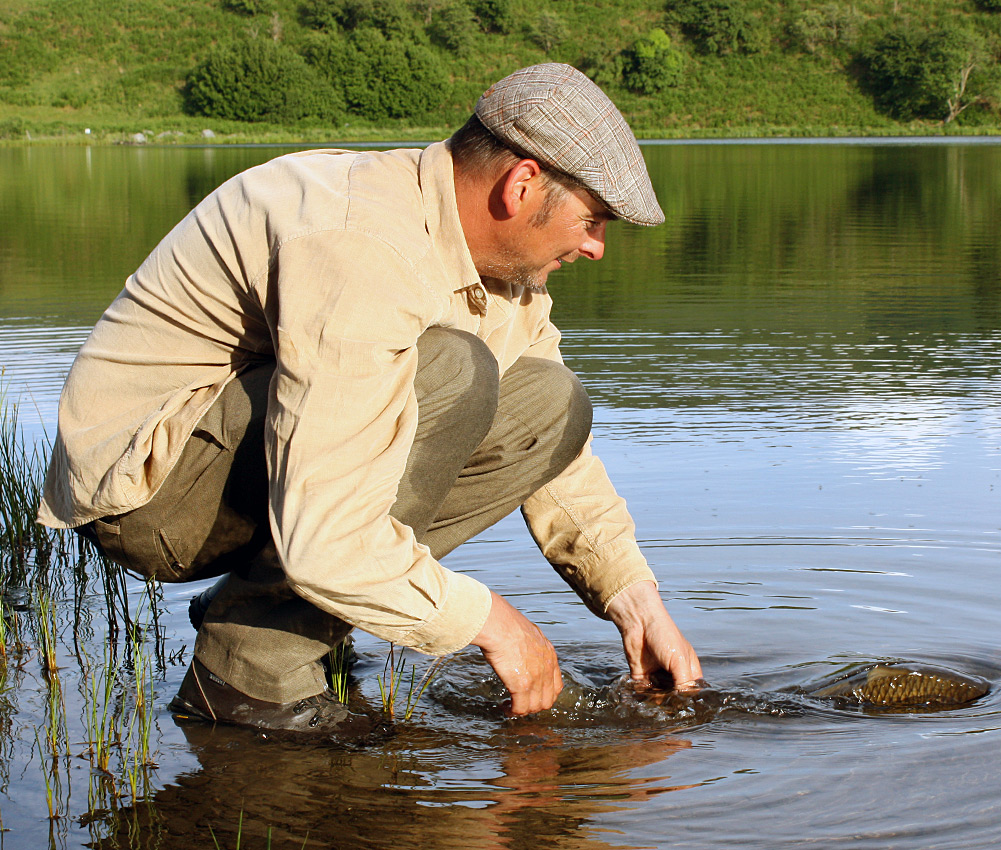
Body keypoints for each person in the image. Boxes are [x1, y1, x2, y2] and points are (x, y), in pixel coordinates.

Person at [37, 63, 702, 743]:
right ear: (521, 184)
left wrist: (634, 602)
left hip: (241, 471)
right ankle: (245, 674)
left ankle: (259, 608)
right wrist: (494, 623)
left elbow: (553, 452)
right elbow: (328, 533)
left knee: (550, 402)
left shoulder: (498, 274)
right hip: (150, 500)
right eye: (591, 221)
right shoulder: (362, 242)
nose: (594, 248)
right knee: (453, 371)